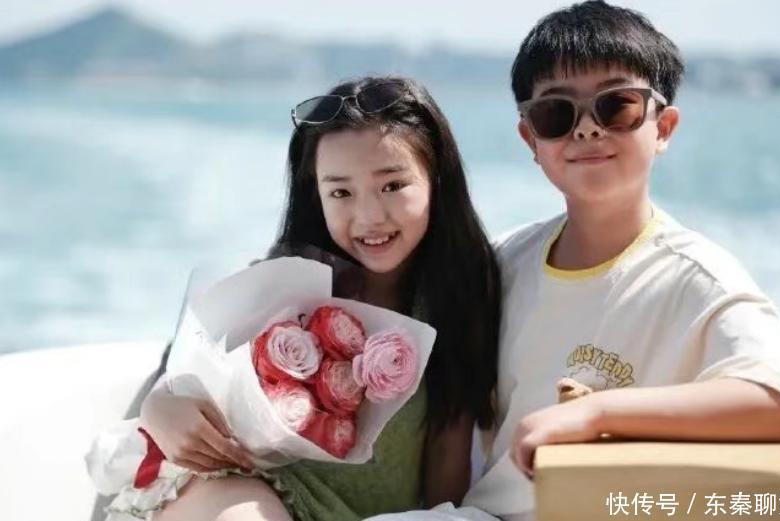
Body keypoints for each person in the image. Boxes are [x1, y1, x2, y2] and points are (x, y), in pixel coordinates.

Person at [460, 2, 780, 520]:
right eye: (556, 113)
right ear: (530, 138)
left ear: (663, 127)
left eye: (617, 106)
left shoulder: (699, 278)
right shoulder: (503, 263)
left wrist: (596, 413)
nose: (587, 129)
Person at [122, 76, 501, 521]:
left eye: (392, 186)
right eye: (341, 192)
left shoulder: (459, 296)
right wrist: (161, 408)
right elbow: (183, 368)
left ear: (437, 178)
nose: (369, 216)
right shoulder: (286, 281)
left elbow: (448, 453)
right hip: (242, 491)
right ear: (316, 195)